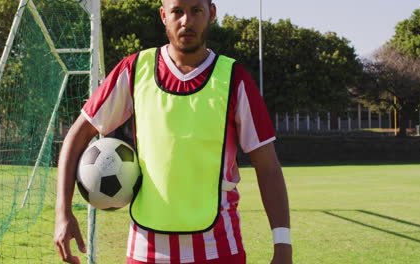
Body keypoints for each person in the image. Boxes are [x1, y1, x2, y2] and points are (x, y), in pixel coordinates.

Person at [54, 0, 292, 263]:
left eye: (196, 11)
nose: (186, 21)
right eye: (177, 11)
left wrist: (283, 245)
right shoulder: (135, 70)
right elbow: (78, 135)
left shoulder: (235, 79)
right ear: (163, 15)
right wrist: (63, 212)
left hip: (219, 248)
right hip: (146, 251)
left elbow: (268, 166)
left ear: (211, 14)